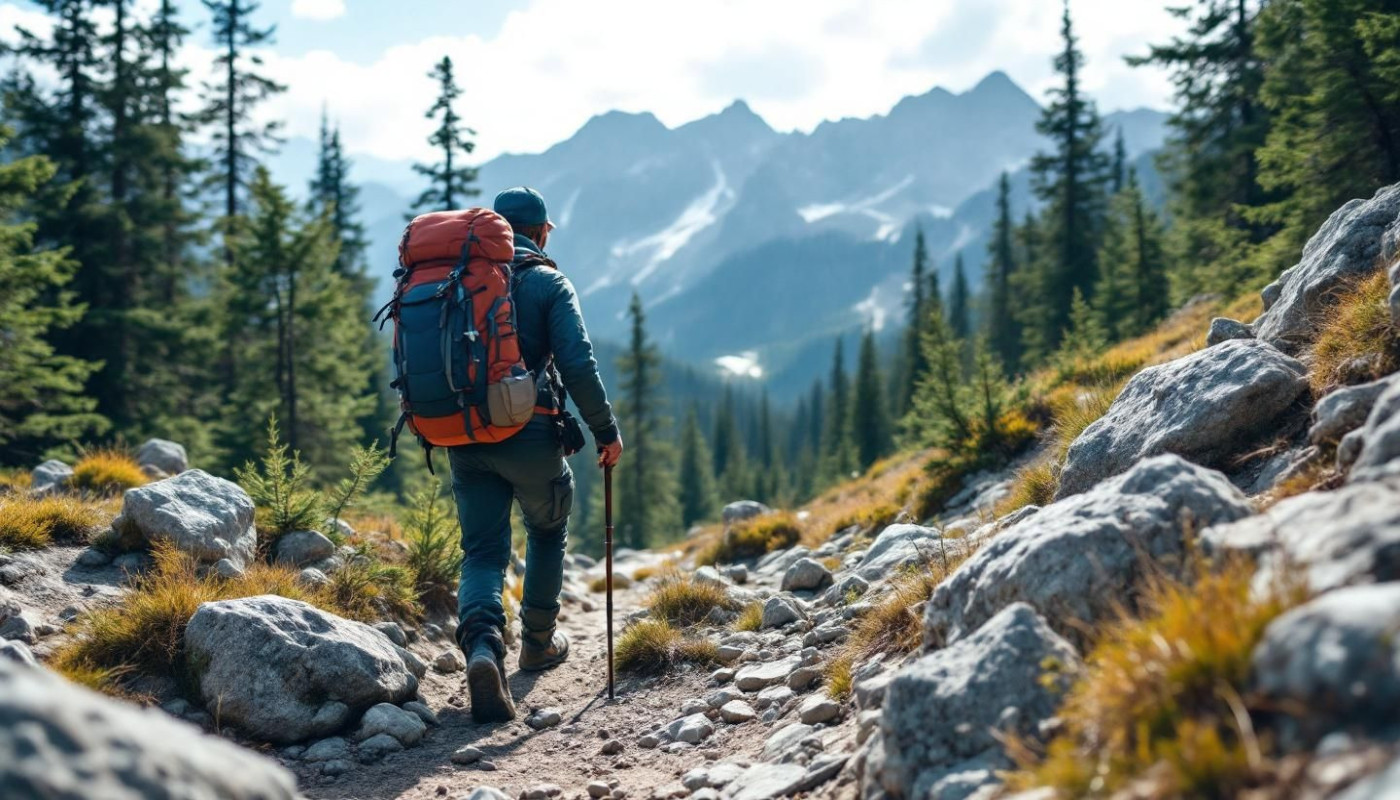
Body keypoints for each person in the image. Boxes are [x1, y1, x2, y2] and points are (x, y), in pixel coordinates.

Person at [450, 186, 624, 723]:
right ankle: (537, 643)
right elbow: (577, 364)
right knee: (547, 529)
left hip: (465, 437)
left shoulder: (455, 279)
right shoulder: (549, 282)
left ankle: (482, 647)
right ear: (542, 231)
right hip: (530, 432)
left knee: (482, 551)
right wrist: (604, 430)